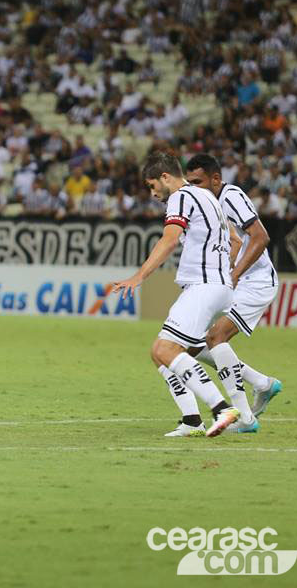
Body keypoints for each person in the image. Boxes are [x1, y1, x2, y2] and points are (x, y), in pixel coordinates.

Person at [112, 151, 242, 438]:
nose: (152, 192)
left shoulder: (180, 197)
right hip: (218, 286)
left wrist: (139, 276)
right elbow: (235, 239)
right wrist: (221, 270)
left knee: (165, 349)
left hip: (204, 286)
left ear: (166, 177)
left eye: (152, 185)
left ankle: (222, 408)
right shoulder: (208, 196)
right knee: (161, 354)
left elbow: (170, 239)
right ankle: (192, 421)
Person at [179, 154, 283, 430]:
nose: (193, 188)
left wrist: (235, 274)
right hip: (229, 282)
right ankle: (262, 383)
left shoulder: (231, 196)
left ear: (216, 179)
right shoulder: (204, 205)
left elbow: (261, 237)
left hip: (255, 281)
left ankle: (245, 418)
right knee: (191, 343)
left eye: (198, 182)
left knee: (216, 336)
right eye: (189, 183)